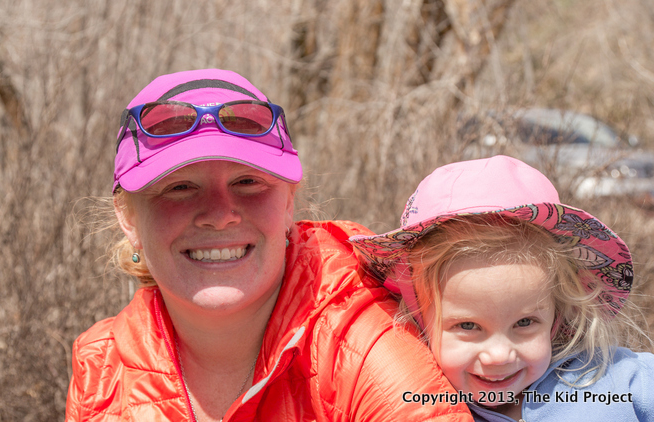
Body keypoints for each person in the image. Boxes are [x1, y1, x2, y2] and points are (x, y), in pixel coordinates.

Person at [64, 69, 473, 421]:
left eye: (247, 182)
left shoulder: (360, 346)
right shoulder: (101, 368)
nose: (220, 214)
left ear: (289, 202)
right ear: (128, 217)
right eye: (180, 187)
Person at [349, 155, 654, 421]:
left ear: (557, 313)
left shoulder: (618, 382)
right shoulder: (417, 405)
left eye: (524, 323)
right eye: (468, 325)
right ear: (419, 316)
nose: (499, 355)